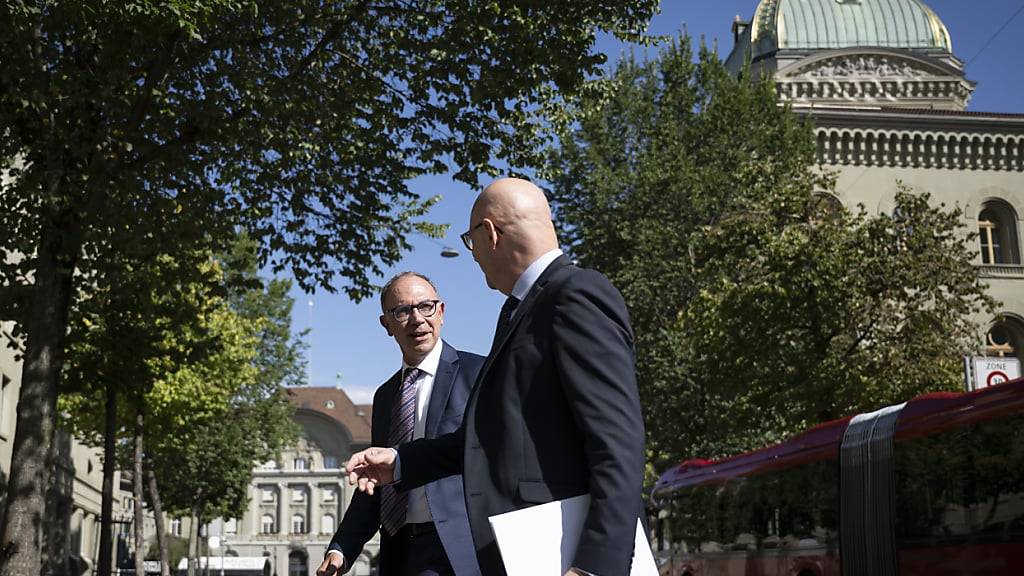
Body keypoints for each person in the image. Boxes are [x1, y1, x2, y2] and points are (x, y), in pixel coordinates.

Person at [345, 178, 646, 576]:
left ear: (489, 233)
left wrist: (595, 566)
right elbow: (489, 439)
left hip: (561, 559)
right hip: (520, 555)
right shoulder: (518, 312)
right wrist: (401, 461)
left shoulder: (574, 294)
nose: (474, 258)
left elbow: (618, 441)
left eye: (471, 242)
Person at [317, 272, 484, 576]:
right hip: (398, 551)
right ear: (386, 325)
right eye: (403, 311)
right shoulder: (385, 396)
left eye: (426, 306)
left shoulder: (480, 374)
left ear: (442, 312)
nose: (417, 319)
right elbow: (376, 483)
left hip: (460, 548)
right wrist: (342, 546)